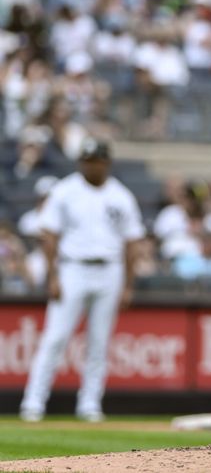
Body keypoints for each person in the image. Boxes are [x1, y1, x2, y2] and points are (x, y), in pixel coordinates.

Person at [19, 138, 145, 422]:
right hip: (72, 268)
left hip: (109, 270)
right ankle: (33, 403)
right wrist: (52, 276)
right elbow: (48, 235)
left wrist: (127, 284)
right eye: (87, 160)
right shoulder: (65, 190)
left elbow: (132, 243)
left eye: (96, 160)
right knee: (54, 338)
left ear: (107, 163)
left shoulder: (121, 196)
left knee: (99, 342)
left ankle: (89, 404)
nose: (91, 165)